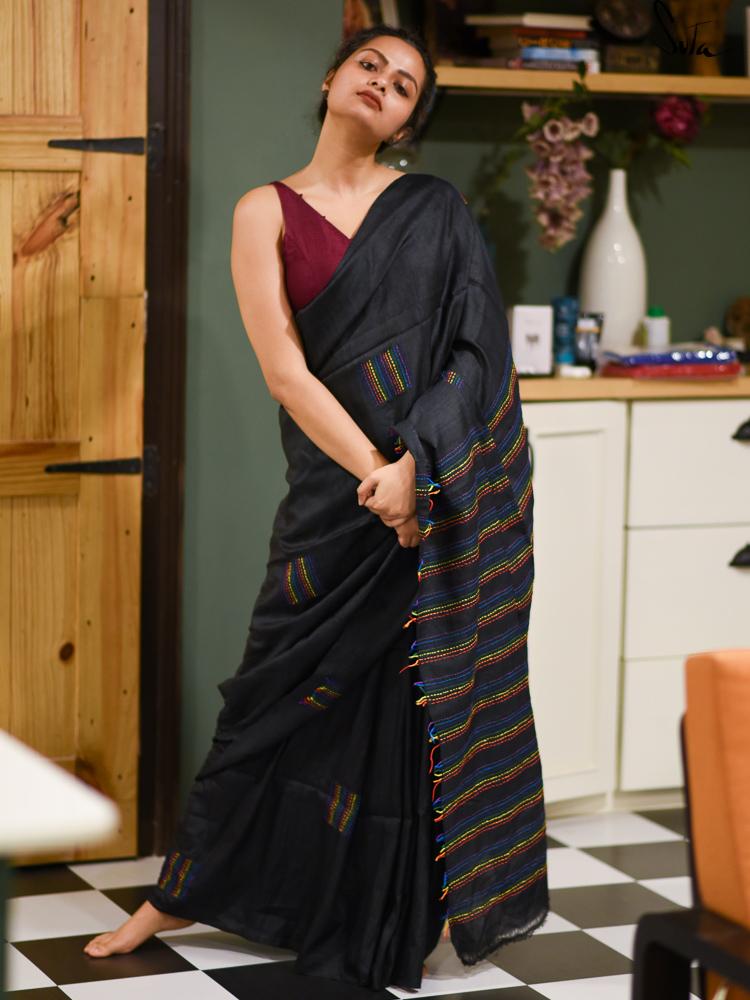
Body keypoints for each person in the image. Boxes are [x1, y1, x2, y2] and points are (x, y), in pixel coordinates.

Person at [83, 23, 549, 992]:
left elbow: (476, 355)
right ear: (334, 78)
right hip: (337, 500)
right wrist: (380, 476)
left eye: (405, 83)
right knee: (272, 698)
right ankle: (180, 892)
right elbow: (285, 370)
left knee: (411, 706)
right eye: (370, 64)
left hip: (432, 494)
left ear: (410, 121)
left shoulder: (435, 210)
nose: (383, 82)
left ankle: (394, 905)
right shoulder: (265, 209)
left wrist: (421, 468)